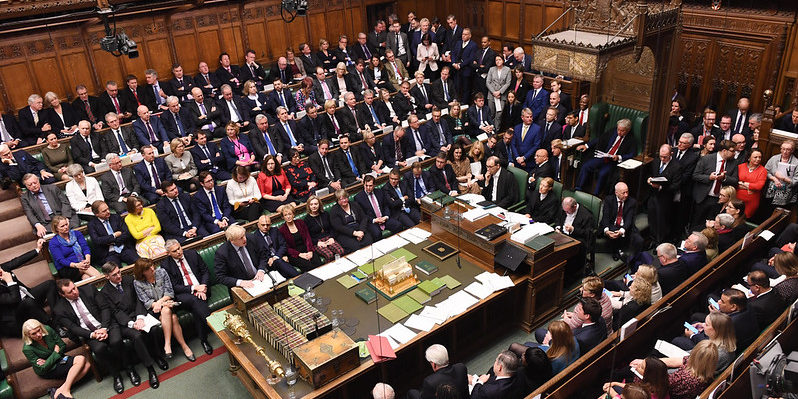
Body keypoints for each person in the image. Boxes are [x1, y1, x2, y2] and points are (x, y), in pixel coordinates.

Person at [52, 279, 141, 394]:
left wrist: (104, 328)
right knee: (99, 349)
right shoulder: (59, 309)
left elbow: (105, 308)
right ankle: (116, 375)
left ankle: (130, 369)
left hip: (107, 324)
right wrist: (93, 334)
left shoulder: (89, 290)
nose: (74, 292)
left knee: (116, 341)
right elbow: (73, 328)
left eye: (74, 288)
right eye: (70, 292)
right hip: (89, 334)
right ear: (62, 295)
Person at [99, 263, 169, 378]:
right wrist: (132, 323)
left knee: (154, 329)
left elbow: (139, 300)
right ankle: (150, 368)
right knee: (137, 336)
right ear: (107, 276)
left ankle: (158, 356)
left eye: (119, 272)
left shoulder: (129, 280)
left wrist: (140, 317)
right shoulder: (105, 292)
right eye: (114, 275)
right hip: (125, 323)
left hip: (139, 314)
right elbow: (115, 312)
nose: (118, 276)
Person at [132, 258, 195, 362]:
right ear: (142, 272)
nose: (152, 269)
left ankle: (167, 345)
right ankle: (185, 346)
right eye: (148, 268)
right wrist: (159, 305)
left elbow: (169, 292)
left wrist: (160, 303)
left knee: (166, 310)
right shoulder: (137, 283)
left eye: (152, 265)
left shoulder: (162, 272)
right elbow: (146, 302)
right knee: (173, 318)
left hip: (169, 304)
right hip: (154, 311)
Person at [161, 240, 214, 355]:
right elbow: (174, 287)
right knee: (195, 300)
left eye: (179, 248)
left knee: (196, 306)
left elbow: (205, 271)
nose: (179, 252)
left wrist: (203, 286)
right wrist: (195, 288)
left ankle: (204, 340)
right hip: (184, 295)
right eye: (175, 251)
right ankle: (214, 323)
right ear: (168, 253)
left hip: (202, 289)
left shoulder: (192, 254)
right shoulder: (166, 265)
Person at [22, 319, 91, 399]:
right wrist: (55, 353)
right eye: (34, 334)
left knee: (87, 365)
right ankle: (66, 390)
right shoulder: (27, 349)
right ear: (28, 335)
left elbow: (62, 345)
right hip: (49, 369)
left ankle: (61, 389)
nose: (38, 334)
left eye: (39, 330)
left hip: (58, 359)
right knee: (81, 359)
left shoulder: (47, 329)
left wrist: (48, 360)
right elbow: (42, 368)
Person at [0, 239, 54, 338]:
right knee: (29, 302)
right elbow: (14, 299)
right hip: (16, 315)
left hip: (28, 297)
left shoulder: (2, 269)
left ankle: (58, 315)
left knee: (50, 284)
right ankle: (53, 325)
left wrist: (37, 249)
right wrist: (9, 282)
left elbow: (17, 261)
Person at [634, 340, 717, 399]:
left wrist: (644, 368)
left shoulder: (684, 378)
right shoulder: (705, 367)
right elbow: (675, 361)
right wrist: (645, 362)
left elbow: (658, 382)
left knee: (632, 372)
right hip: (668, 383)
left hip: (667, 393)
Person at [574, 119, 638, 195]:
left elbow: (632, 154)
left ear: (628, 130)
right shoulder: (613, 131)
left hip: (613, 163)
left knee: (602, 174)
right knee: (586, 166)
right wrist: (586, 146)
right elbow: (600, 138)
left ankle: (595, 196)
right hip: (603, 157)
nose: (619, 132)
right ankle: (578, 189)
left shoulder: (631, 140)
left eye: (622, 131)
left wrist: (619, 157)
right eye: (618, 129)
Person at [691, 139, 738, 231]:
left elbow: (735, 180)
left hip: (719, 200)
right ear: (724, 151)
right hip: (703, 198)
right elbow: (695, 175)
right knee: (697, 223)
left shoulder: (734, 162)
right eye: (732, 151)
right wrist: (709, 177)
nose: (734, 153)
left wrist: (724, 178)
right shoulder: (706, 159)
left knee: (712, 226)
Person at [215, 225, 269, 289]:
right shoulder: (222, 253)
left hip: (260, 277)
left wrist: (261, 270)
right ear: (232, 240)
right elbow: (220, 276)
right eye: (241, 238)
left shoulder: (251, 238)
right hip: (241, 286)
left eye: (244, 235)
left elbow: (263, 255)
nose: (245, 239)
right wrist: (240, 282)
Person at [647, 144, 682, 243]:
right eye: (661, 156)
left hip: (665, 198)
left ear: (671, 154)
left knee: (662, 221)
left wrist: (661, 187)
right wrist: (649, 179)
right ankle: (653, 239)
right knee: (652, 218)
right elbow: (650, 173)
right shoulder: (656, 161)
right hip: (653, 195)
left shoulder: (677, 167)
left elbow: (676, 185)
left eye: (665, 157)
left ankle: (660, 242)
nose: (662, 159)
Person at [600, 182, 643, 262]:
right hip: (612, 224)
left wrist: (621, 231)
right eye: (623, 193)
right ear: (616, 193)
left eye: (627, 192)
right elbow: (605, 217)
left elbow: (629, 220)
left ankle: (635, 258)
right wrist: (606, 230)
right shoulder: (609, 200)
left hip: (626, 226)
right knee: (613, 233)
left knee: (639, 240)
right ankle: (616, 252)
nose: (626, 195)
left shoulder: (632, 202)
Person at [88, 200, 138, 266]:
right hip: (108, 253)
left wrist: (113, 241)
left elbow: (126, 233)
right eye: (104, 211)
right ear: (96, 214)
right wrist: (114, 235)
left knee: (138, 262)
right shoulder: (92, 225)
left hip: (123, 247)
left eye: (108, 209)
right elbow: (97, 240)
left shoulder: (116, 217)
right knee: (115, 271)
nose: (108, 212)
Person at [48, 216, 99, 281]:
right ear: (56, 229)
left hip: (82, 262)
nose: (66, 227)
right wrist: (77, 265)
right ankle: (102, 280)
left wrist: (87, 259)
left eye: (66, 224)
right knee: (86, 268)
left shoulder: (77, 234)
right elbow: (61, 260)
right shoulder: (53, 242)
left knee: (86, 277)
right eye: (62, 226)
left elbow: (85, 248)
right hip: (67, 268)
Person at [278, 204, 323, 271]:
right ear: (283, 217)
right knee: (308, 266)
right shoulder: (281, 230)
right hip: (294, 254)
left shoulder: (300, 223)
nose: (288, 217)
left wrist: (310, 251)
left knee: (318, 263)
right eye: (285, 215)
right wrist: (300, 254)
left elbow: (308, 238)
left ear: (293, 214)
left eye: (290, 214)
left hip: (307, 249)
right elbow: (286, 248)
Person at [602, 357, 669, 399]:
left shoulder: (645, 394)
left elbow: (632, 392)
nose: (638, 365)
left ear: (648, 374)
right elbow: (633, 388)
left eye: (641, 367)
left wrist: (614, 394)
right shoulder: (658, 383)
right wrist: (614, 383)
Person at [303, 195, 346, 261]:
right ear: (309, 206)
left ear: (319, 204)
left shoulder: (325, 214)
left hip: (329, 238)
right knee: (329, 255)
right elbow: (307, 236)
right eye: (311, 204)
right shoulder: (306, 220)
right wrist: (317, 242)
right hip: (317, 242)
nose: (314, 206)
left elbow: (332, 227)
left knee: (341, 251)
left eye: (316, 204)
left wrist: (332, 237)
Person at [764, 139, 798, 212]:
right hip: (771, 192)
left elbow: (796, 180)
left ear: (792, 150)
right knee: (767, 212)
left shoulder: (796, 162)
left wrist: (783, 178)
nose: (785, 151)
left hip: (786, 196)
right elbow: (765, 171)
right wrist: (774, 178)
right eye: (783, 149)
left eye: (788, 149)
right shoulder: (774, 158)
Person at [736, 149, 766, 218]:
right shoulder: (740, 167)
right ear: (749, 158)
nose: (758, 159)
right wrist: (750, 186)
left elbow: (759, 186)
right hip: (737, 199)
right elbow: (735, 182)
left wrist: (742, 183)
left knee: (743, 219)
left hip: (751, 202)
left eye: (760, 157)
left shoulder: (763, 170)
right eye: (755, 157)